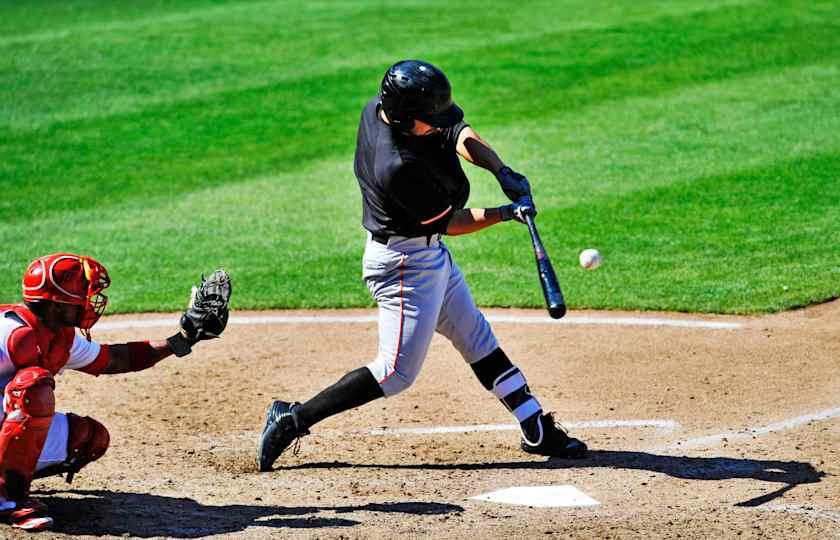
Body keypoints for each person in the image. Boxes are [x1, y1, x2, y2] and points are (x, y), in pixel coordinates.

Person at [258, 59, 586, 472]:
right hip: (403, 265)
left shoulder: (384, 109)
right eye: (427, 120)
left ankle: (534, 425)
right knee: (395, 372)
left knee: (477, 338)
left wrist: (500, 169)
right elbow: (452, 223)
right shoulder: (396, 169)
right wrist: (507, 213)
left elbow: (455, 131)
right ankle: (292, 419)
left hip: (424, 255)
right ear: (404, 118)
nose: (437, 125)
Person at [0, 253, 230, 531]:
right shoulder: (11, 333)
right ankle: (9, 500)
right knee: (33, 386)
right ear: (58, 303)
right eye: (83, 294)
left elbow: (117, 359)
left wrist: (182, 340)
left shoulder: (59, 336)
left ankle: (10, 480)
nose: (90, 301)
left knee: (87, 439)